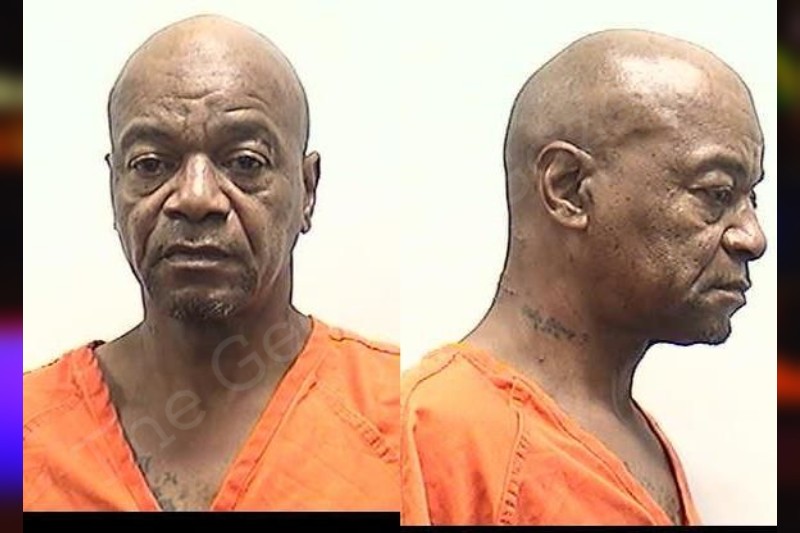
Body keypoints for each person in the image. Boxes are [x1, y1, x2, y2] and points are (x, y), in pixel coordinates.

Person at [23, 14, 399, 511]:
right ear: (114, 188)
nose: (196, 197)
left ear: (308, 190)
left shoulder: (403, 424)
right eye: (151, 164)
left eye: (245, 162)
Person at [401, 29, 766, 525]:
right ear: (568, 188)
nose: (752, 237)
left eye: (751, 197)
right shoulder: (434, 439)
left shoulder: (640, 438)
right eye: (716, 193)